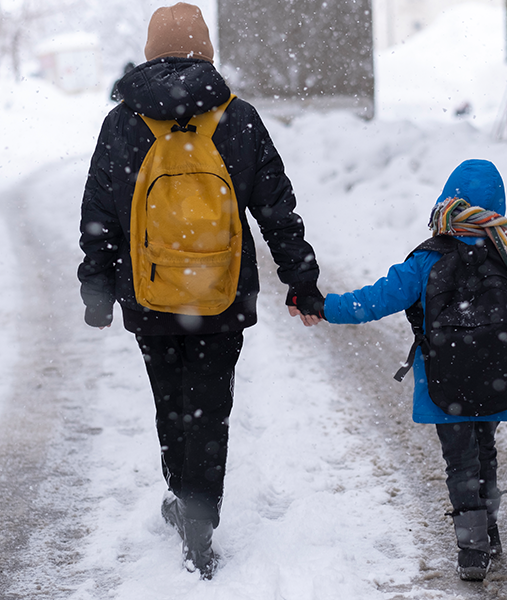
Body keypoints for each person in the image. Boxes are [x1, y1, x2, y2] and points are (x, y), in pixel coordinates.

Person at [77, 2, 324, 579]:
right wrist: (301, 279)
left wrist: (97, 288)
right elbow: (277, 209)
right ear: (206, 51)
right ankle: (199, 517)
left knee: (170, 403)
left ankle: (180, 492)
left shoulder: (122, 123)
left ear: (149, 52)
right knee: (210, 408)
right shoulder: (237, 118)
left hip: (149, 294)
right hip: (222, 295)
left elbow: (99, 216)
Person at [296, 159, 507, 581]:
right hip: (498, 379)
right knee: (485, 452)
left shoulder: (427, 260)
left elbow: (375, 301)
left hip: (445, 382)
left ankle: (472, 549)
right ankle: (488, 531)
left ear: (447, 202)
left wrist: (325, 306)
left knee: (460, 460)